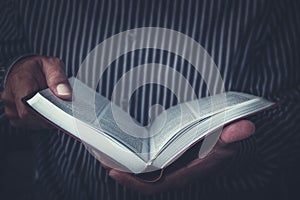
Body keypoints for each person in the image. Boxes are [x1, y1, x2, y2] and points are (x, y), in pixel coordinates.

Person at [0, 0, 299, 199]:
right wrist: (12, 84)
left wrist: (238, 147)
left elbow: (289, 112)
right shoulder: (27, 6)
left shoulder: (268, 8)